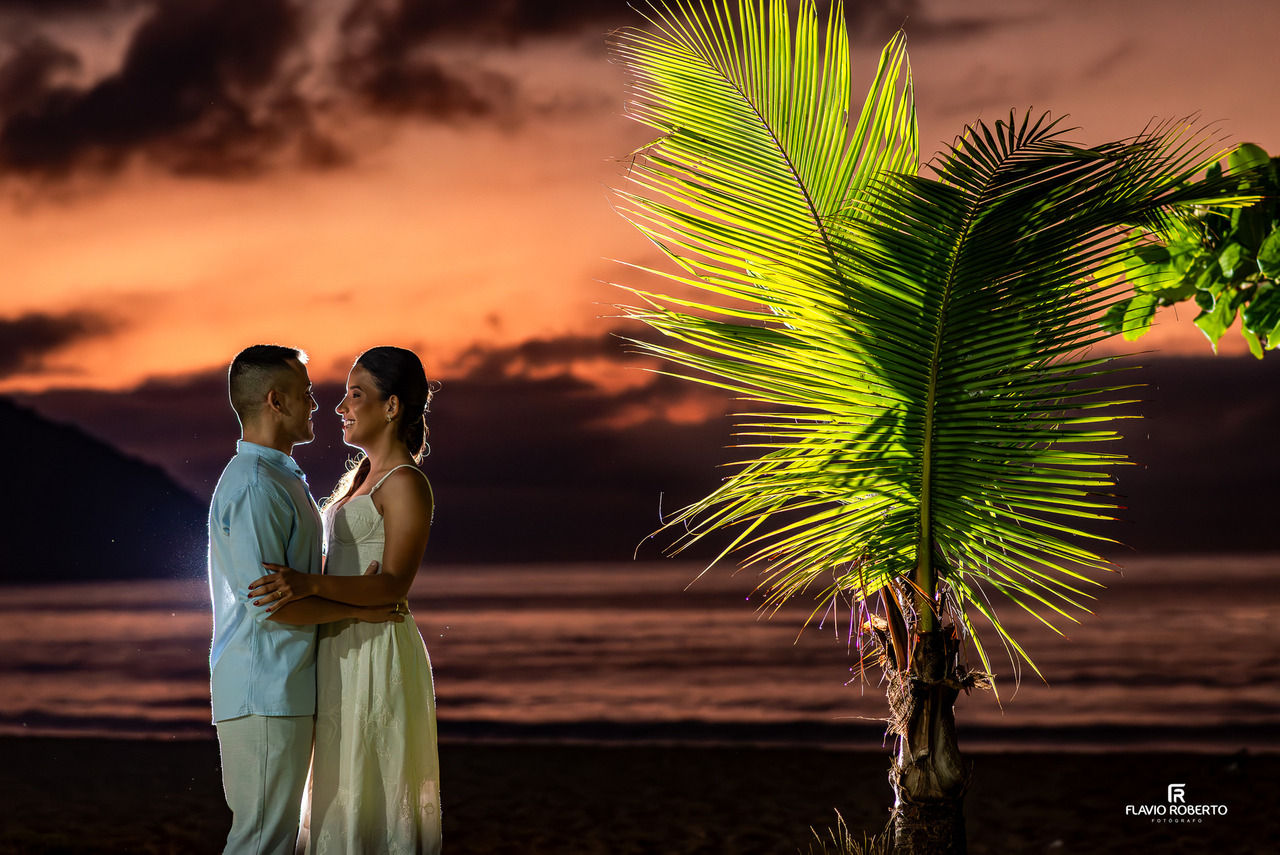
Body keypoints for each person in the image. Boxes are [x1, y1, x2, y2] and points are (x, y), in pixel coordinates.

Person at [208, 344, 402, 855]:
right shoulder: (255, 486)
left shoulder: (280, 477)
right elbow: (275, 602)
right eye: (307, 393)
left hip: (282, 684)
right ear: (276, 400)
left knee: (270, 839)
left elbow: (292, 588)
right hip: (264, 686)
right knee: (261, 841)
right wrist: (364, 608)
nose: (318, 404)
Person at [249, 345, 441, 854]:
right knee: (339, 785)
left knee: (372, 784)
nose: (341, 408)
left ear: (392, 406)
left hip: (378, 648)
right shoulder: (359, 483)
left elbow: (394, 584)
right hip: (340, 645)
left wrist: (308, 584)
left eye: (355, 395)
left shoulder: (406, 484)